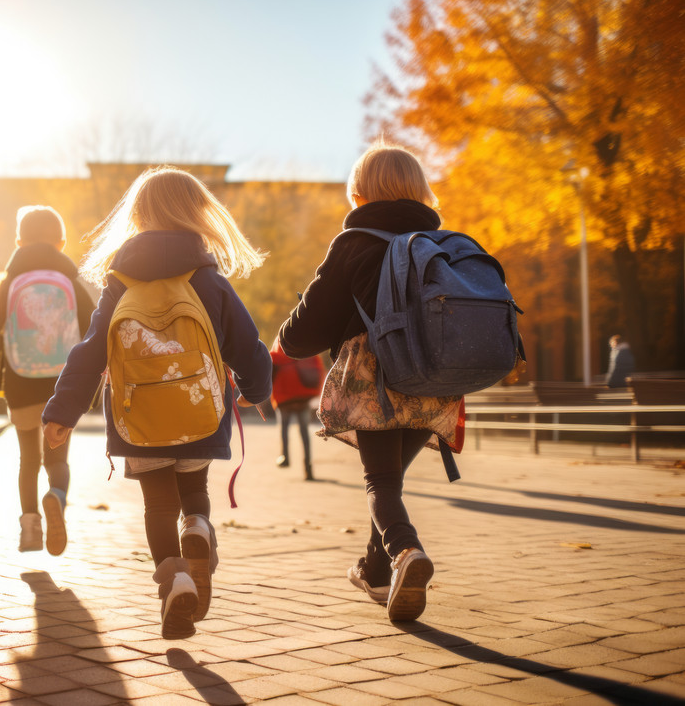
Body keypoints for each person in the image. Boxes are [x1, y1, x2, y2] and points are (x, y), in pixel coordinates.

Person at [42, 166, 272, 640]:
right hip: (200, 410)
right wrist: (256, 389)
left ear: (139, 215)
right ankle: (200, 528)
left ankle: (175, 580)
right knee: (193, 490)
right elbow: (247, 345)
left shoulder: (119, 282)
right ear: (197, 213)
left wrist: (62, 411)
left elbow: (90, 351)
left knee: (156, 506)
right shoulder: (209, 280)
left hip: (138, 416)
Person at [276, 142, 461, 622]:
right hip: (438, 383)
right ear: (420, 190)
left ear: (358, 192)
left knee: (379, 480)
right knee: (390, 481)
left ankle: (405, 552)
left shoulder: (354, 243)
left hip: (376, 380)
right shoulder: (443, 243)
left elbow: (303, 335)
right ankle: (378, 575)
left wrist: (286, 331)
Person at [0, 206, 94, 556]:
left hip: (20, 385)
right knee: (57, 459)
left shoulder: (10, 285)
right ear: (62, 242)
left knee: (28, 460)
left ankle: (29, 526)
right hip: (63, 387)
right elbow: (94, 330)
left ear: (19, 242)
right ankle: (56, 496)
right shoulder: (70, 283)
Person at [269, 337, 325, 481]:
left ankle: (285, 457)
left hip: (284, 398)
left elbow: (268, 374)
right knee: (304, 433)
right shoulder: (305, 349)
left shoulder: (277, 351)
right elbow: (318, 368)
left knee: (284, 429)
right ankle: (308, 468)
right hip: (302, 397)